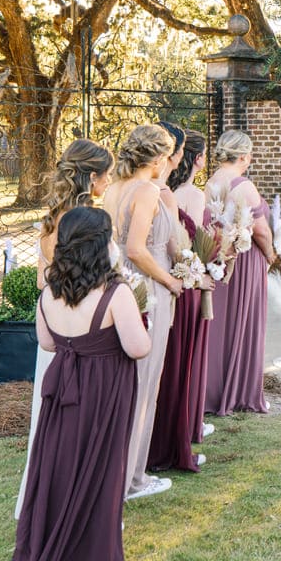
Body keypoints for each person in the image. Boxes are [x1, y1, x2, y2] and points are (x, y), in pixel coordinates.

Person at [14, 207, 151, 561]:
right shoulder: (114, 292)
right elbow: (138, 348)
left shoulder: (49, 293)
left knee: (59, 465)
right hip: (102, 394)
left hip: (62, 392)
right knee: (99, 471)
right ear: (100, 245)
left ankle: (54, 532)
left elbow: (46, 343)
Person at [15, 139, 114, 520]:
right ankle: (78, 503)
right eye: (106, 176)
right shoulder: (86, 221)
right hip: (85, 336)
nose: (108, 183)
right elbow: (91, 281)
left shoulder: (53, 215)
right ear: (91, 177)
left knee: (50, 424)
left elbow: (44, 282)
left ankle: (47, 498)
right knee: (80, 424)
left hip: (54, 333)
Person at [103, 123, 182, 501]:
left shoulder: (114, 188)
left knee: (124, 385)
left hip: (118, 290)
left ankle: (116, 470)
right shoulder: (148, 190)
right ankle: (132, 479)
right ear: (159, 157)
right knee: (144, 385)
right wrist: (168, 281)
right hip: (148, 293)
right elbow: (136, 248)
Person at [149, 125, 211, 473]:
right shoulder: (167, 193)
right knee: (172, 366)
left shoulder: (132, 189)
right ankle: (165, 448)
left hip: (146, 280)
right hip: (172, 281)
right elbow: (179, 246)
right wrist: (197, 276)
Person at [204, 129, 275, 415]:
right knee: (244, 324)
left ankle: (215, 391)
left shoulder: (210, 183)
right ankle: (241, 392)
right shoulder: (244, 185)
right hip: (245, 263)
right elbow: (260, 231)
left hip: (220, 260)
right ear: (244, 156)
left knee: (221, 327)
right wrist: (271, 255)